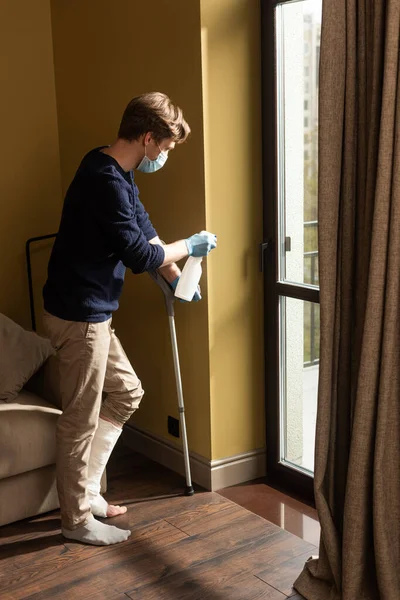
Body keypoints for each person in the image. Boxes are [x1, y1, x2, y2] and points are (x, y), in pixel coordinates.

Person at [42, 92, 217, 546]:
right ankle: (76, 519)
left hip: (92, 311)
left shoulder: (115, 169)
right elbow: (140, 254)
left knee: (126, 392)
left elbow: (144, 228)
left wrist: (179, 276)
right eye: (164, 147)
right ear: (146, 138)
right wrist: (191, 244)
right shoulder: (104, 180)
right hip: (80, 315)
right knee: (79, 419)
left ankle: (89, 494)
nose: (164, 156)